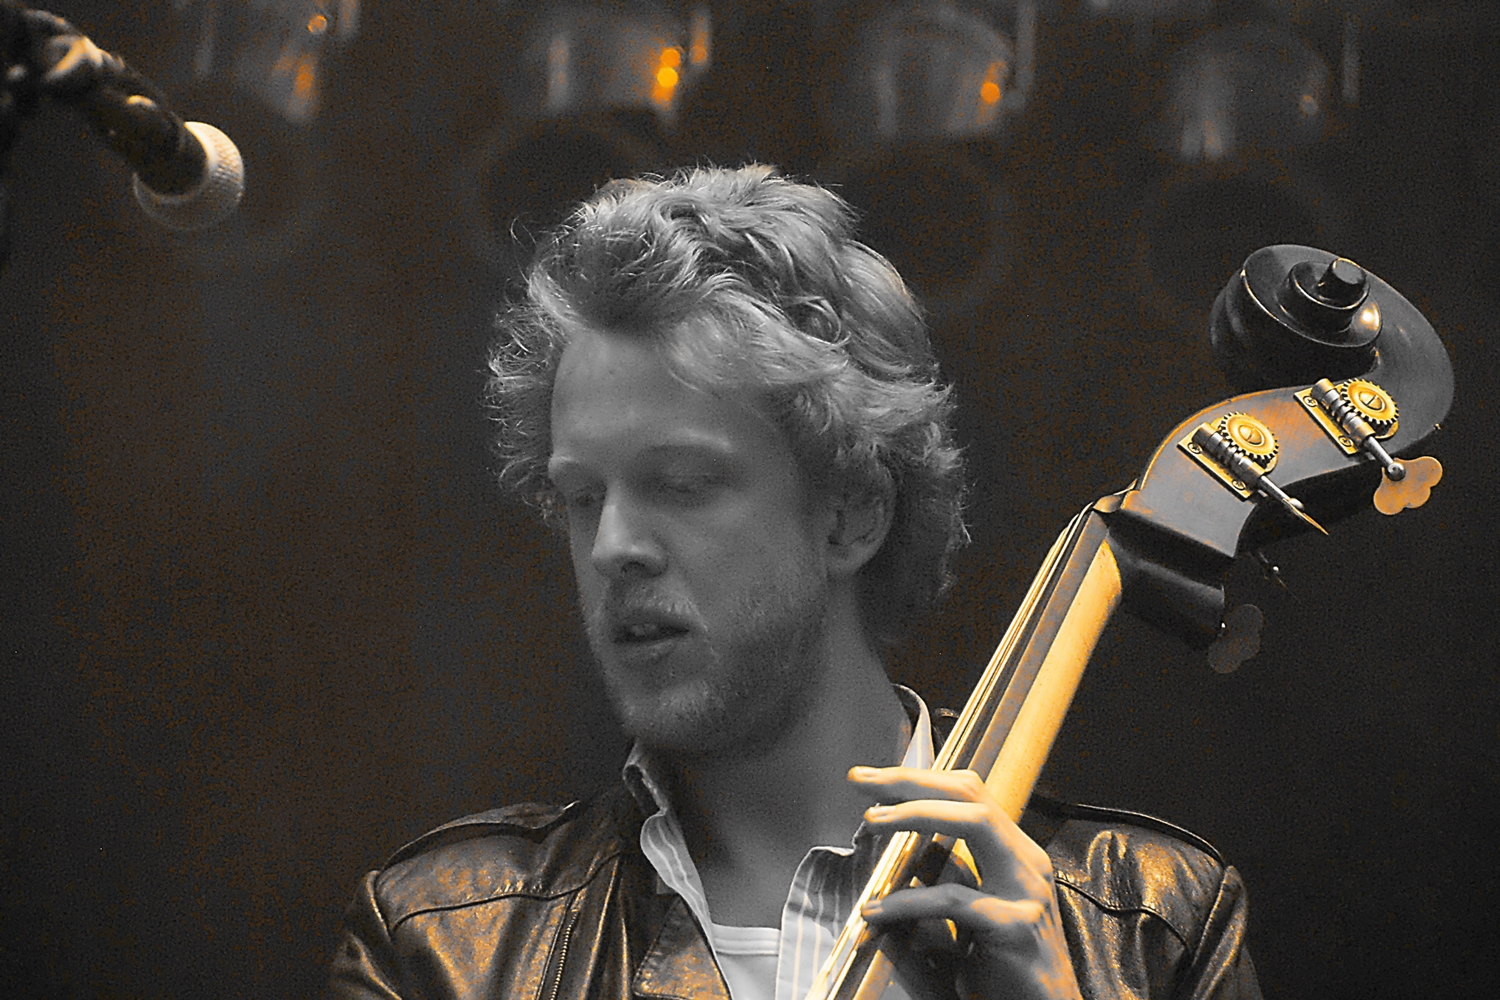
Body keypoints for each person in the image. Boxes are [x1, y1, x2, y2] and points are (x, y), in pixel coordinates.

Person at [327, 165, 1261, 1000]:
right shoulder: (440, 945)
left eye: (680, 484)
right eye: (582, 497)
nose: (612, 547)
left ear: (852, 515)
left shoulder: (1151, 927)